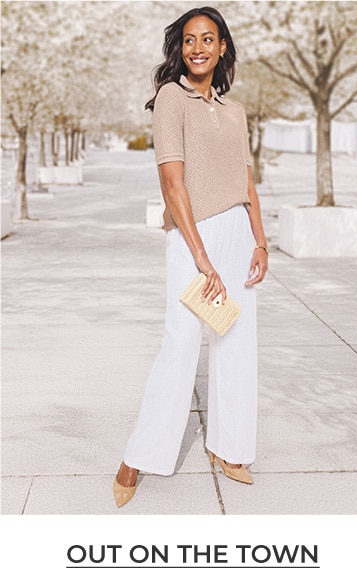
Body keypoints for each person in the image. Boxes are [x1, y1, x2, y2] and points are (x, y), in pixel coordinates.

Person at [113, 5, 268, 507]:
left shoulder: (234, 110)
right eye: (188, 40)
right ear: (179, 49)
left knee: (236, 342)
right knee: (181, 343)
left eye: (207, 39)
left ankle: (230, 448)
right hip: (191, 235)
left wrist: (260, 240)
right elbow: (171, 180)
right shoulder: (170, 98)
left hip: (237, 232)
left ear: (223, 47)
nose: (197, 47)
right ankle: (139, 455)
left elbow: (247, 179)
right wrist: (202, 258)